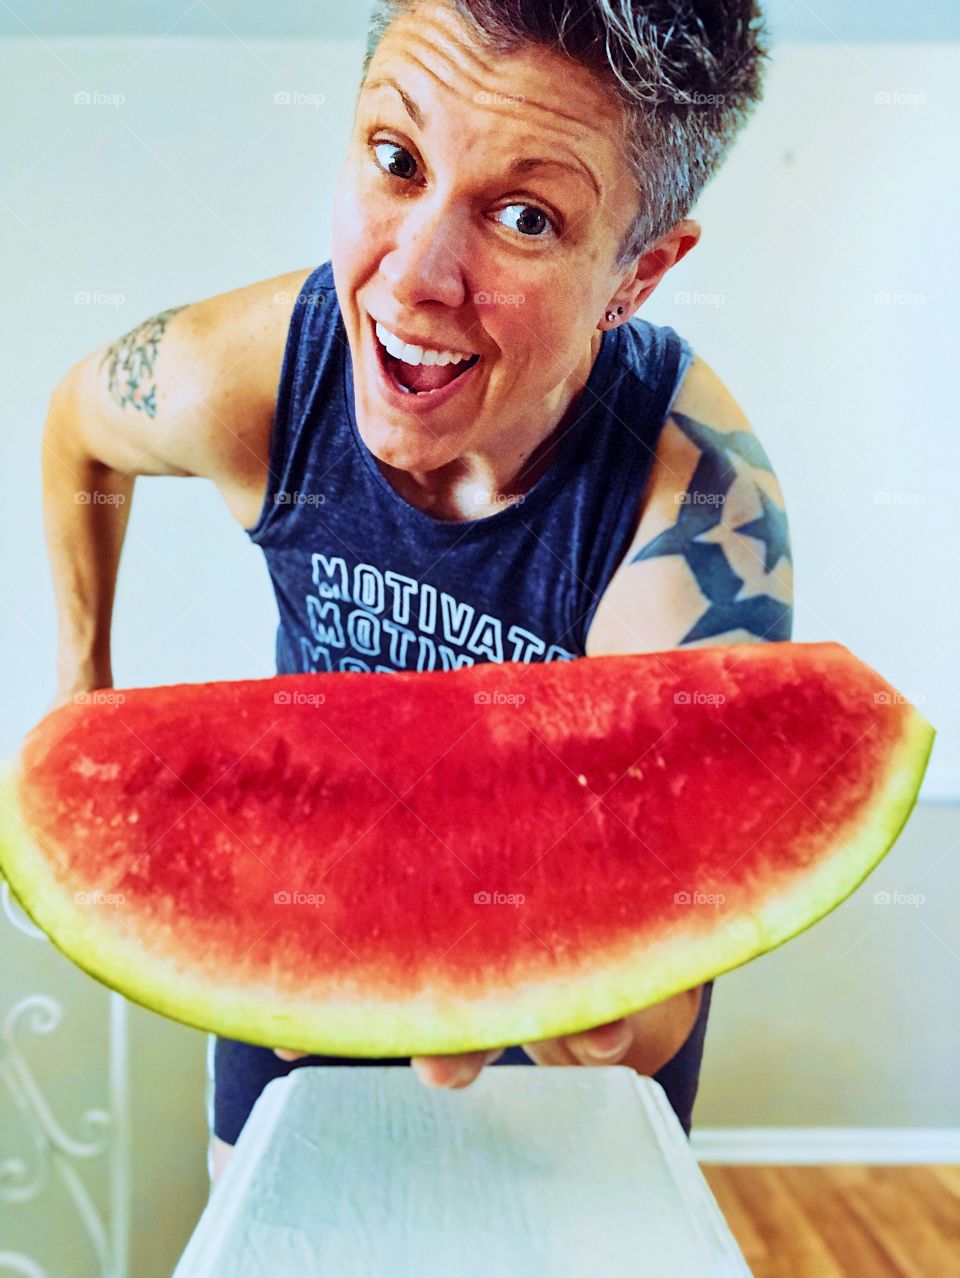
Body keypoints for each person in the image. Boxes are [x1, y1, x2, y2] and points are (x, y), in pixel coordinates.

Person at [42, 0, 793, 1189]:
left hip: (566, 1080)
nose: (416, 276)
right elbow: (78, 429)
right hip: (286, 949)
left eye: (526, 216)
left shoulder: (692, 520)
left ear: (638, 274)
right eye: (398, 161)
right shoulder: (249, 381)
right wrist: (83, 687)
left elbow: (652, 1019)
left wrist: (548, 990)